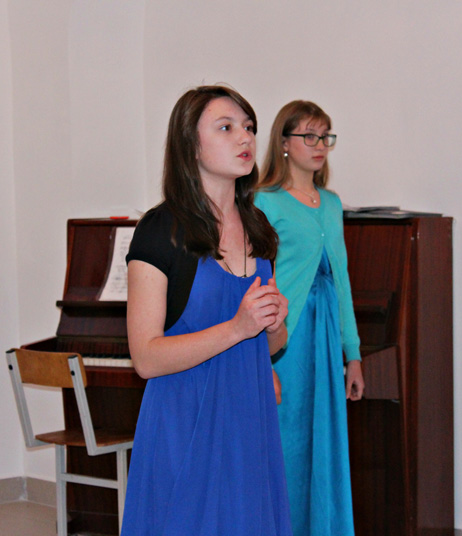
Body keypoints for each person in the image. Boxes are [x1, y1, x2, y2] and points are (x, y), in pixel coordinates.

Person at [121, 86, 293, 536]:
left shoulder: (259, 227)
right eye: (226, 127)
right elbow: (146, 358)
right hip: (185, 423)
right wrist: (237, 327)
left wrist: (274, 324)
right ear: (191, 146)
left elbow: (269, 346)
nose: (245, 137)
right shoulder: (160, 230)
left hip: (248, 420)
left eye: (249, 127)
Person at [254, 100, 365, 536]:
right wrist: (261, 355)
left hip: (326, 337)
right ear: (284, 143)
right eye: (310, 136)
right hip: (287, 338)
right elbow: (257, 280)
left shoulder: (333, 204)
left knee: (326, 442)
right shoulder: (264, 202)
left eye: (325, 137)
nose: (320, 145)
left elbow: (342, 281)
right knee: (288, 443)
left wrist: (353, 354)